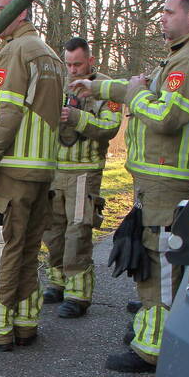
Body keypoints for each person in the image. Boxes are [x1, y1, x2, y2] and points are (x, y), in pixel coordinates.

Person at [70, 0, 189, 372]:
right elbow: (141, 89)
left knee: (161, 259)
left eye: (169, 12)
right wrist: (97, 87)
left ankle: (153, 348)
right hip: (158, 179)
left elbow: (166, 117)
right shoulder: (182, 57)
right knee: (157, 256)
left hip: (168, 181)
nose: (162, 18)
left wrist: (133, 96)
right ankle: (153, 330)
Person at [0, 0, 65, 349]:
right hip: (42, 171)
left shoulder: (14, 53)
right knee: (26, 248)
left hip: (11, 171)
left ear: (21, 12)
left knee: (2, 249)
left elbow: (4, 115)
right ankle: (25, 324)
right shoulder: (49, 55)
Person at [42, 37, 121, 318]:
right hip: (54, 173)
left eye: (78, 64)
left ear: (90, 60)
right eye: (69, 64)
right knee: (52, 231)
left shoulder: (105, 88)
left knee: (78, 233)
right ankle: (57, 282)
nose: (73, 69)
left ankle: (78, 295)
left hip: (84, 174)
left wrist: (76, 118)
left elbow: (110, 128)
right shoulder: (59, 87)